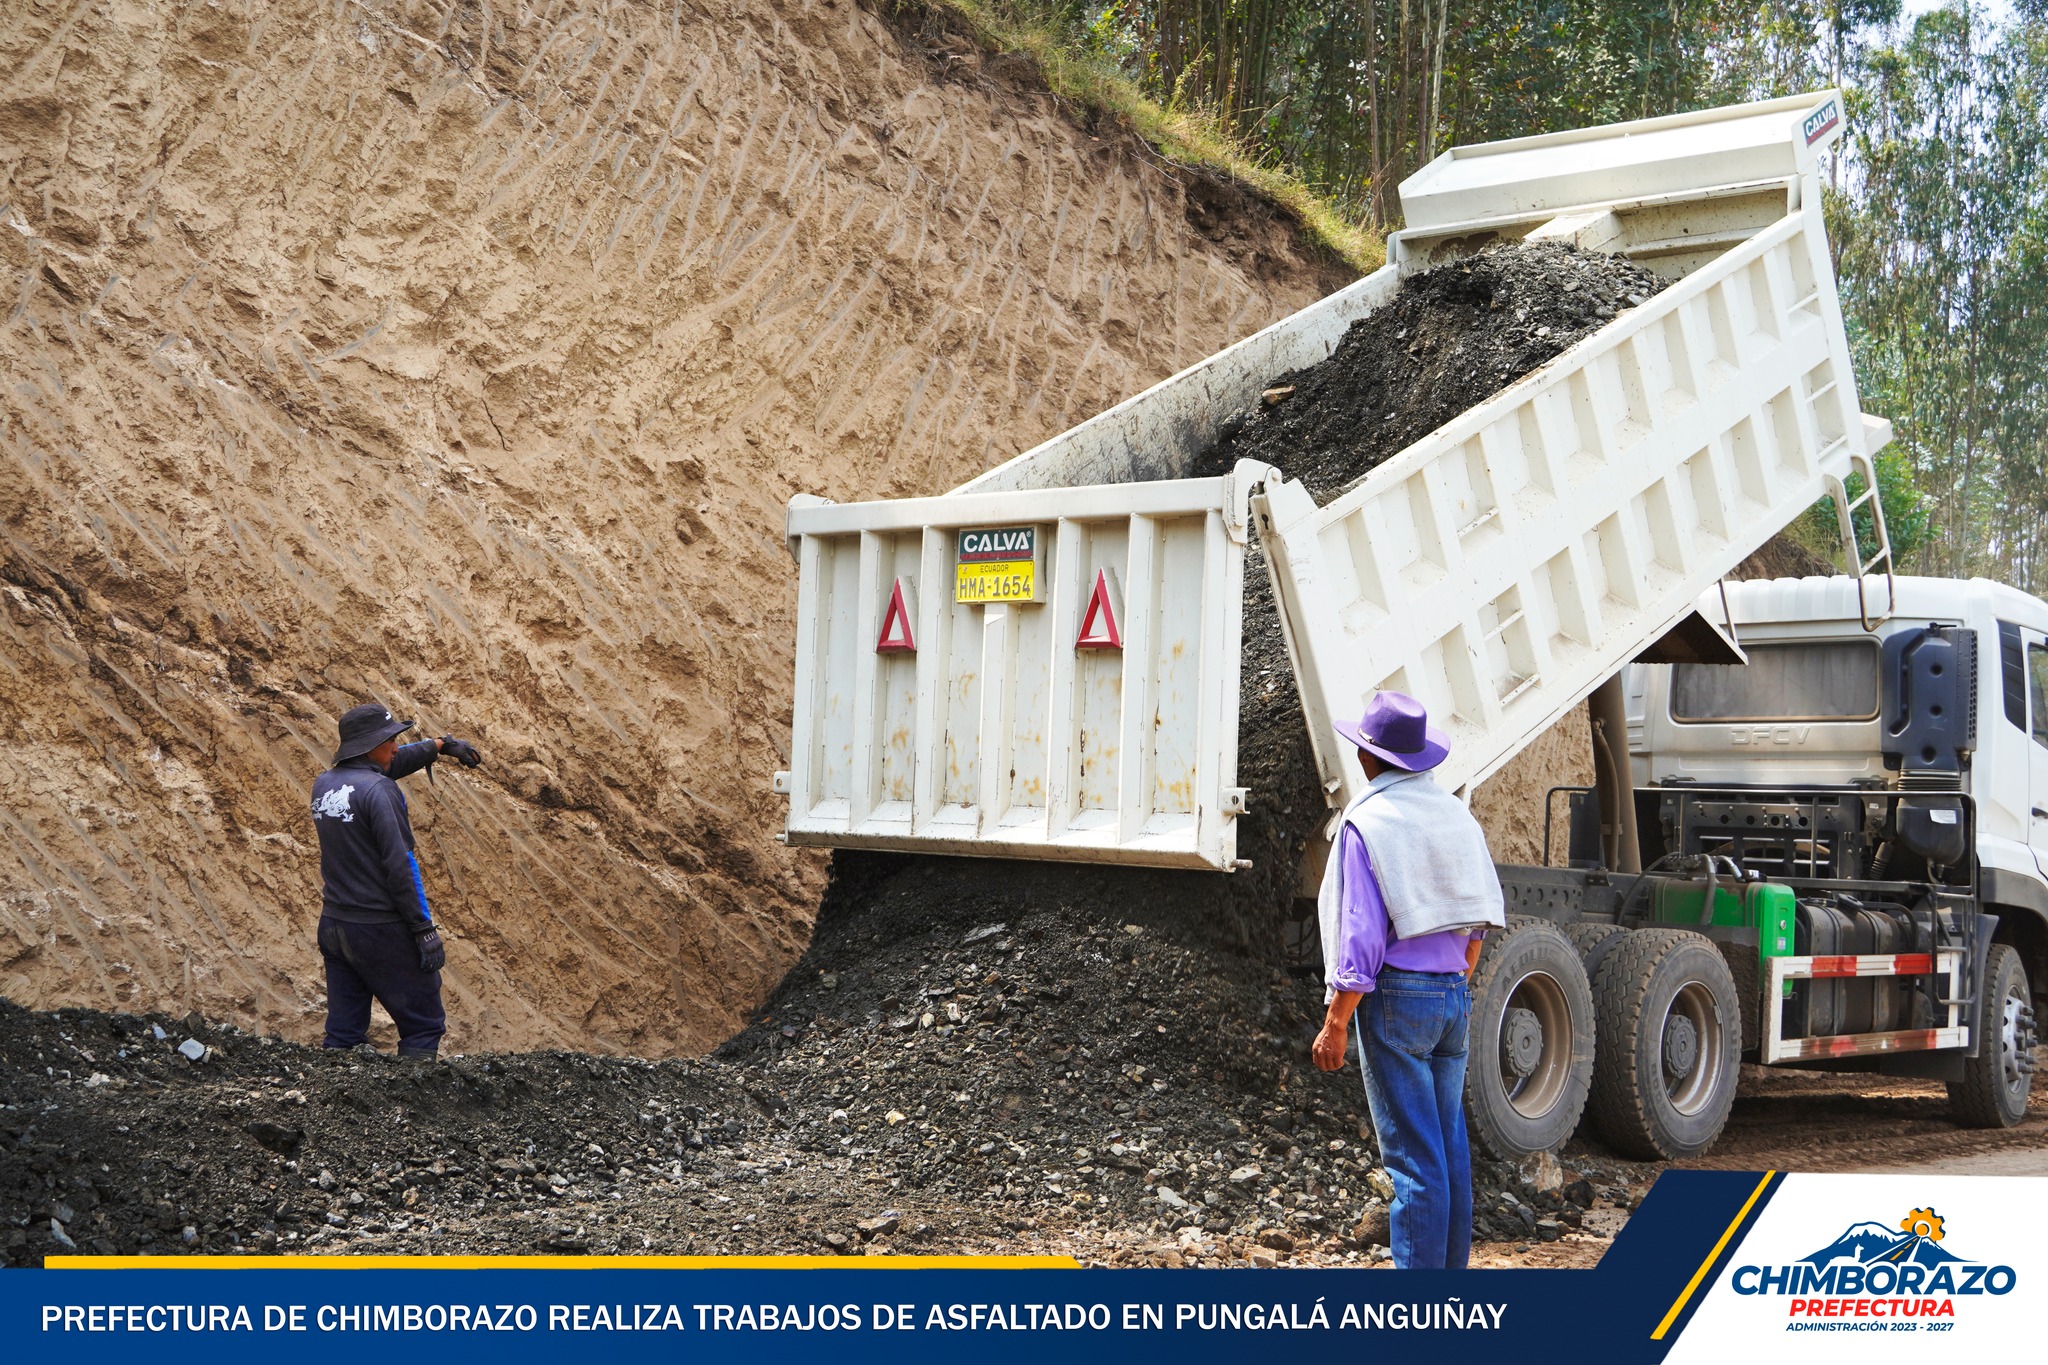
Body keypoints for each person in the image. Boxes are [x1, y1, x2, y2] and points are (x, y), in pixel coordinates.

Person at [1308, 691, 1505, 1268]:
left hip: (1396, 999)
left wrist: (1335, 1022)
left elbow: (1361, 935)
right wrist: (1454, 981)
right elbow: (1481, 918)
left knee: (1413, 1162)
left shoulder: (1367, 821)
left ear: (1368, 758)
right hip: (1450, 996)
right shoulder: (1456, 815)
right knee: (1446, 1149)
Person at [310, 703, 482, 1057]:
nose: (394, 746)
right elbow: (401, 866)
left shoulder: (325, 785)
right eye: (388, 740)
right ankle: (413, 1108)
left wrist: (437, 745)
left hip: (335, 927)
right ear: (368, 746)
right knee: (424, 1025)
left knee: (343, 1034)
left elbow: (387, 763)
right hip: (380, 930)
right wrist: (423, 929)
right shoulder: (381, 791)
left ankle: (334, 1107)